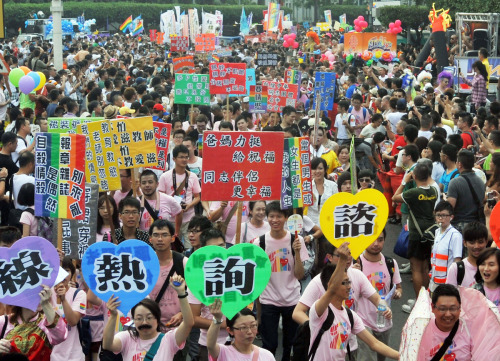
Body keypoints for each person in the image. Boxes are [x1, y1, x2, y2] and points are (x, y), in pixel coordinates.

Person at [307, 242, 399, 360]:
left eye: (349, 282)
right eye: (344, 283)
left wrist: (402, 356)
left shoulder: (351, 316)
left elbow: (374, 344)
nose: (349, 286)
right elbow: (331, 290)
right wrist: (342, 260)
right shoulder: (320, 312)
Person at [252, 201, 309, 360]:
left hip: (292, 300)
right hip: (269, 300)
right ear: (267, 218)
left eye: (279, 216)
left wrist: (297, 252)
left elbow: (299, 275)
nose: (275, 220)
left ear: (286, 218)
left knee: (290, 343)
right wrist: (258, 313)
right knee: (269, 344)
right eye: (271, 216)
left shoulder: (296, 240)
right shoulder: (260, 242)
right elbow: (258, 277)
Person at [102, 276, 194, 360]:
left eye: (149, 318)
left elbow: (188, 323)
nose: (144, 322)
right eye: (139, 318)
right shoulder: (127, 337)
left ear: (157, 319)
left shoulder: (169, 340)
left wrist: (181, 293)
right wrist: (113, 316)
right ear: (133, 320)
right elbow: (107, 345)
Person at [393, 163, 438, 304]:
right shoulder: (433, 191)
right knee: (425, 267)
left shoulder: (413, 193)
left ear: (415, 176)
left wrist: (404, 181)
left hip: (416, 233)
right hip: (430, 232)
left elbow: (395, 197)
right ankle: (426, 299)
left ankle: (420, 302)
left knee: (416, 268)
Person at [356, 230, 402, 361]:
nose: (376, 244)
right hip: (363, 322)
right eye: (372, 239)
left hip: (384, 321)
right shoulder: (356, 263)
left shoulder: (390, 263)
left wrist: (398, 293)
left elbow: (398, 287)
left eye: (380, 240)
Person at [148, 219, 189, 361]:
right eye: (156, 235)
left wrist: (182, 314)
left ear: (172, 238)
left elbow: (193, 295)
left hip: (178, 327)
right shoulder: (144, 263)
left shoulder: (183, 262)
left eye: (164, 235)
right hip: (151, 327)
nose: (160, 239)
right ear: (150, 238)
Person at [188, 228, 228, 361]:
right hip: (208, 344)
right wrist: (222, 324)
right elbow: (193, 318)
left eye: (222, 246)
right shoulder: (198, 279)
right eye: (213, 248)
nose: (219, 251)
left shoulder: (239, 273)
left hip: (238, 342)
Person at [0, 285, 68, 358]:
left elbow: (60, 336)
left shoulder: (47, 321)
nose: (40, 297)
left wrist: (45, 304)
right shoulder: (4, 321)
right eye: (34, 293)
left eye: (43, 293)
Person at [159, 145, 201, 249]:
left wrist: (189, 205)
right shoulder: (165, 176)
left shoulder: (193, 176)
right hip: (171, 219)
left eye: (186, 157)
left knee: (190, 247)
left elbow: (197, 197)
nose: (184, 160)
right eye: (181, 157)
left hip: (188, 218)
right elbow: (160, 198)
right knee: (172, 248)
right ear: (174, 159)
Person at [206, 301, 275, 361]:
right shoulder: (223, 352)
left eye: (253, 325)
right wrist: (217, 318)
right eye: (243, 327)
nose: (249, 331)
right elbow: (210, 345)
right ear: (230, 330)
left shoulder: (267, 355)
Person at [421, 284, 473, 360]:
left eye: (453, 308)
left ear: (460, 308)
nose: (448, 314)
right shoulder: (421, 331)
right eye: (442, 309)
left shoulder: (471, 330)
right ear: (432, 307)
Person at [50, 260, 87, 361]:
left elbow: (73, 321)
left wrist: (63, 299)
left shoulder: (79, 294)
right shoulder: (47, 293)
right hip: (51, 355)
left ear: (72, 274)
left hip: (74, 356)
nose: (62, 274)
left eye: (66, 270)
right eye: (58, 270)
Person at [447, 149, 486, 232]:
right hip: (477, 226)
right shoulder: (480, 181)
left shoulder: (455, 182)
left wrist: (444, 200)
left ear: (460, 165)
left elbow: (449, 208)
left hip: (459, 226)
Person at [428, 201, 463, 292]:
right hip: (434, 278)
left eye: (443, 215)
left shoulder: (455, 235)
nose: (440, 218)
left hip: (448, 282)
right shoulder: (437, 232)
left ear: (451, 217)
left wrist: (452, 282)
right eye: (438, 215)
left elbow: (457, 260)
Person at [139, 169, 183, 235]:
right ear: (140, 185)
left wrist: (176, 232)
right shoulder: (136, 201)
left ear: (157, 184)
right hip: (143, 242)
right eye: (144, 183)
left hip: (162, 242)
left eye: (150, 182)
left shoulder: (168, 199)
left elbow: (179, 211)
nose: (147, 185)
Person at [447, 222, 489, 287]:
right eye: (472, 242)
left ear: (486, 241)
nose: (476, 246)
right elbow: (449, 295)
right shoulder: (456, 269)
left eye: (480, 242)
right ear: (465, 243)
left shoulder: (494, 267)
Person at [307, 157, 338, 227]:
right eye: (314, 169)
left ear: (325, 170)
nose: (317, 171)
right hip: (311, 225)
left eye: (320, 168)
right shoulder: (307, 187)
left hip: (329, 223)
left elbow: (336, 206)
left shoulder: (333, 186)